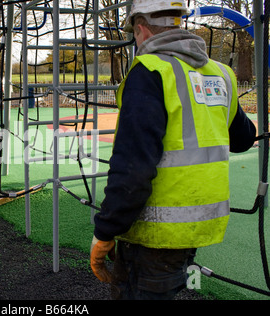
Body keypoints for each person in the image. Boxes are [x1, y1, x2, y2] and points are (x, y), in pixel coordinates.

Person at [90, 0, 257, 300]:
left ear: (140, 29)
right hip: (196, 228)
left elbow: (133, 170)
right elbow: (244, 138)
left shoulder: (150, 71)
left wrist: (105, 231)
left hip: (154, 233)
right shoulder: (221, 74)